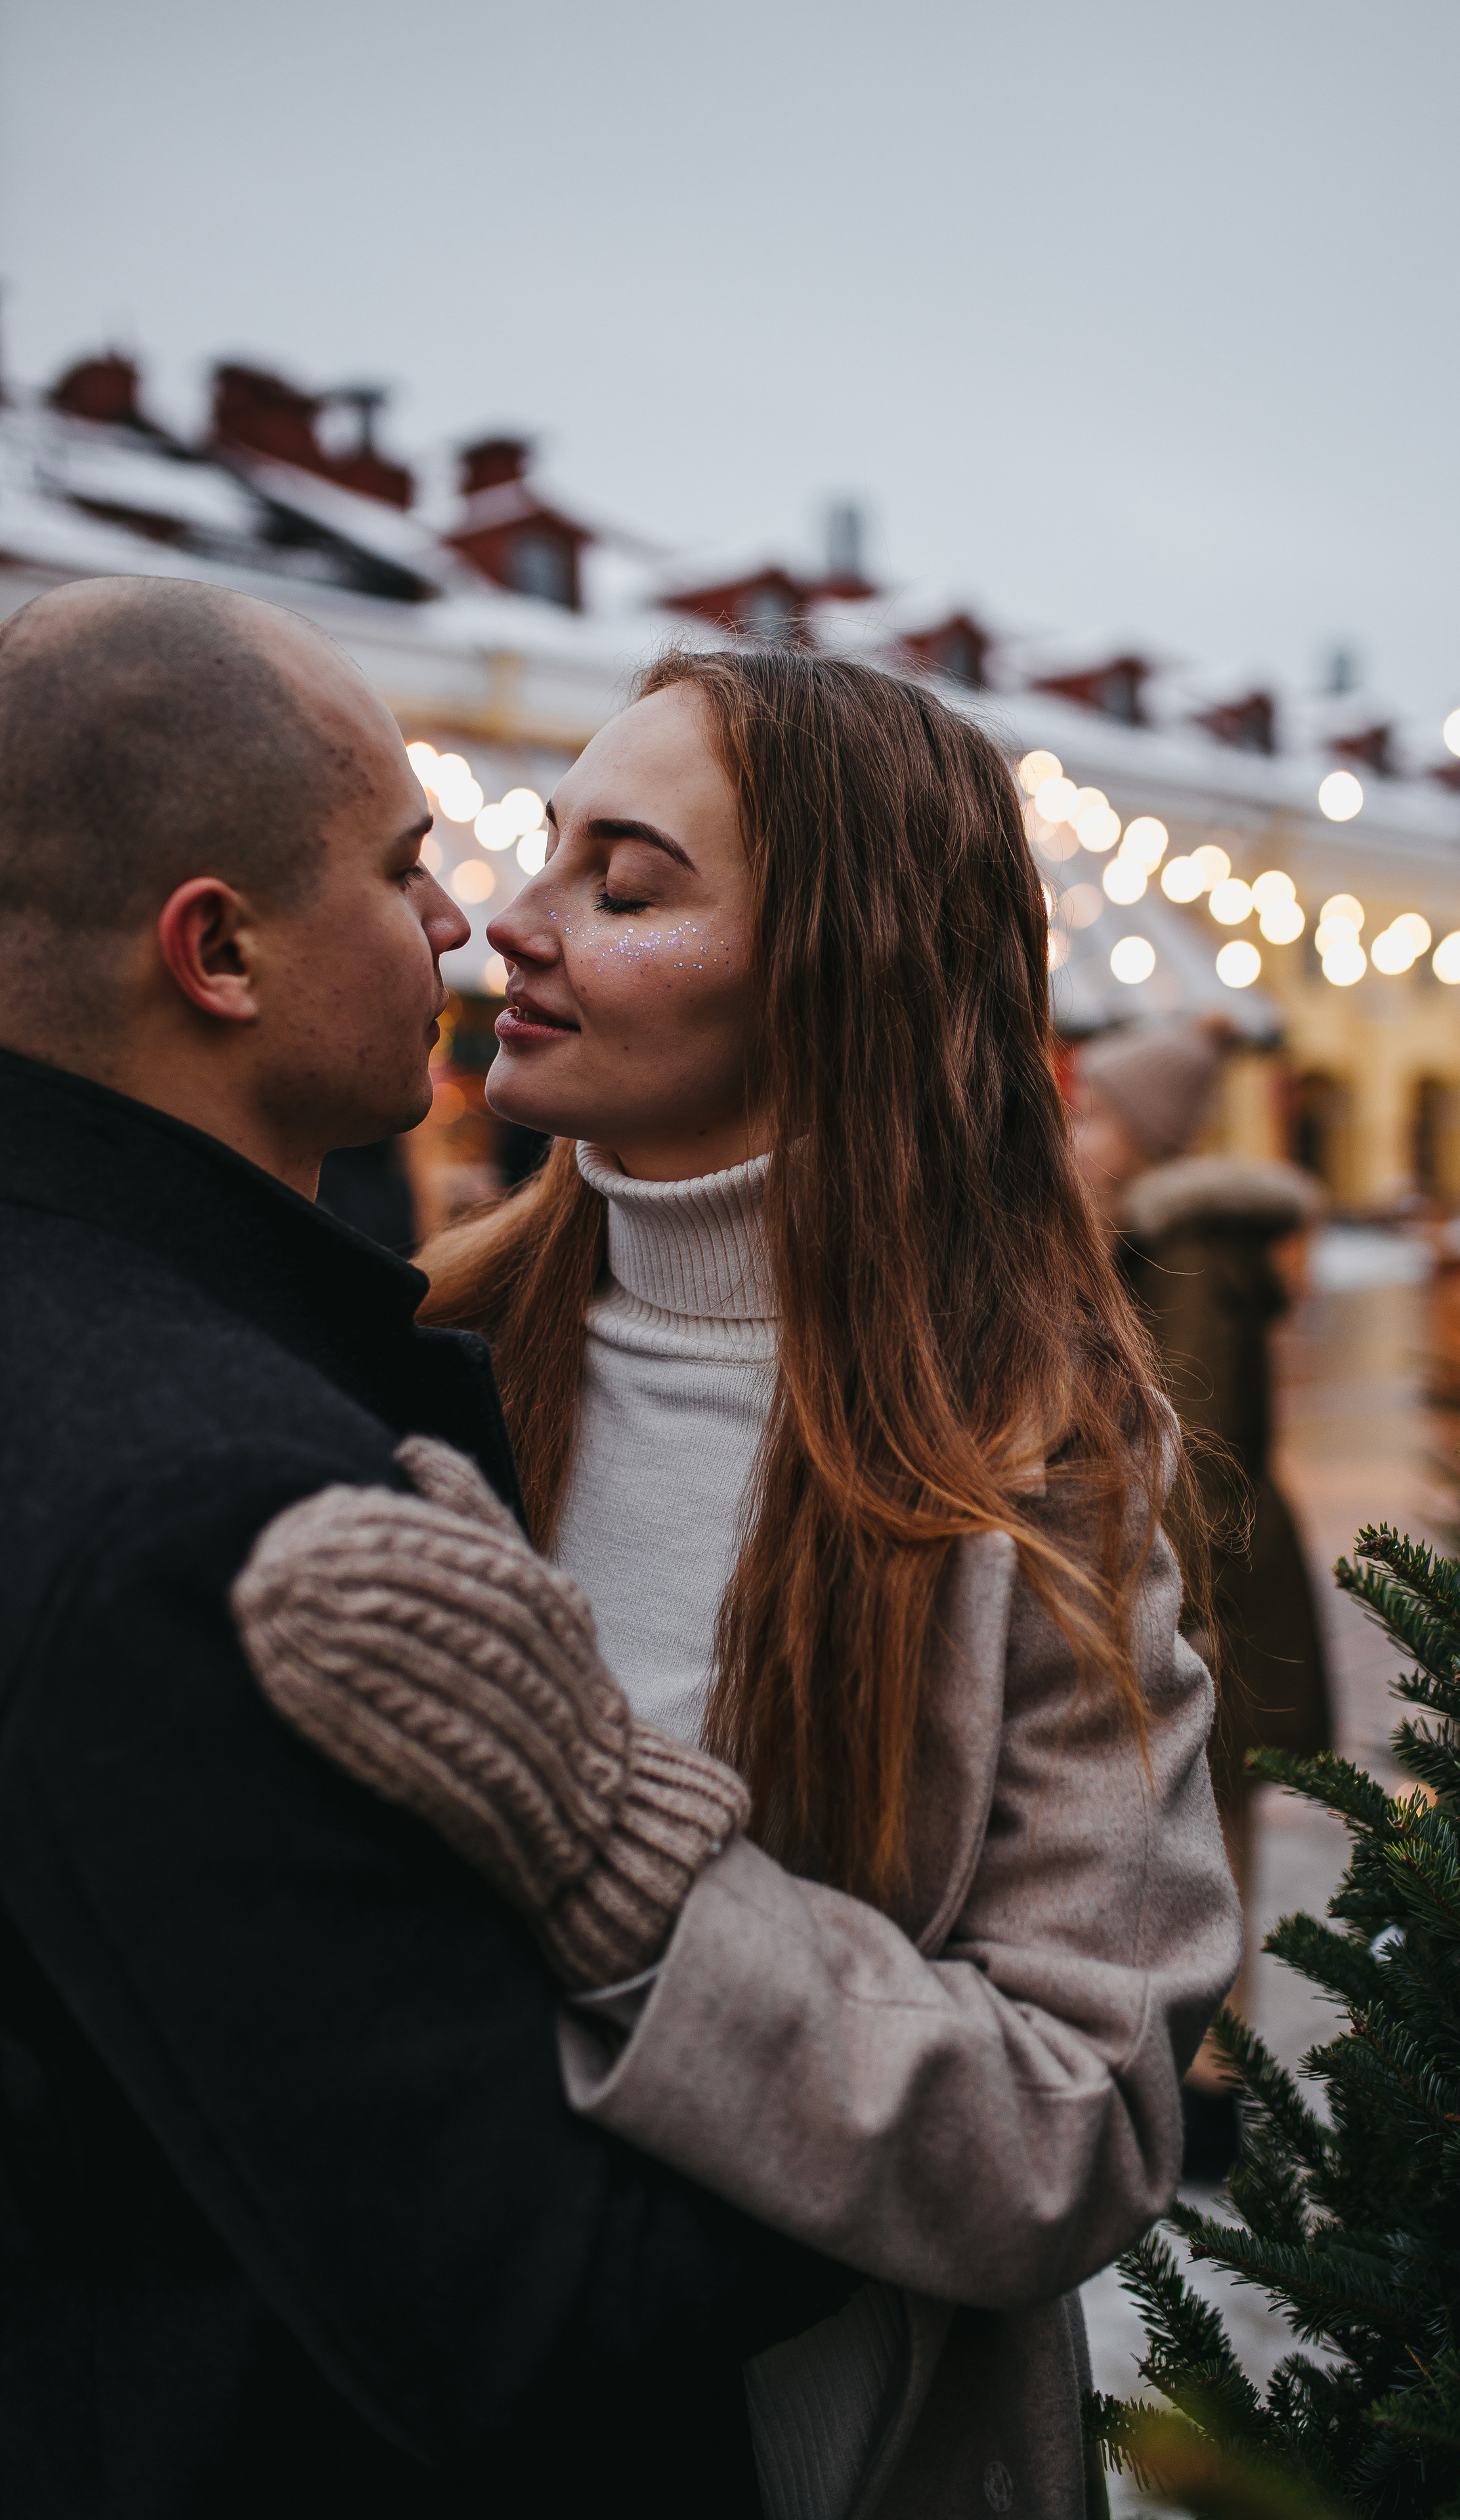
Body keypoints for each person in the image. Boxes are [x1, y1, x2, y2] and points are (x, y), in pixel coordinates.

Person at [242, 647, 1244, 2520]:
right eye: (543, 857)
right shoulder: (398, 1350)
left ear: (844, 972)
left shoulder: (1035, 1450)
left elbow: (1080, 2122)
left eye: (621, 889)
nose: (503, 928)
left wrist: (630, 1875)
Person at [0, 578, 855, 2518]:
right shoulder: (220, 1506)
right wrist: (948, 2107)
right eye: (405, 873)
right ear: (215, 951)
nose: (471, 927)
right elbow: (538, 2300)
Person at [1071, 1017, 1332, 2179]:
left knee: (1206, 1845)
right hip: (1196, 1589)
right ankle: (1191, 2086)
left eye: (1095, 1115)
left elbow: (1198, 1455)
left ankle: (1208, 2104)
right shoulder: (1151, 1240)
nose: (1075, 1132)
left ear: (1145, 1133)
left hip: (1215, 1600)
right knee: (1189, 1842)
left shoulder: (1187, 1254)